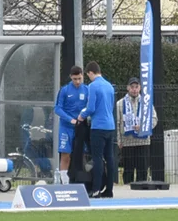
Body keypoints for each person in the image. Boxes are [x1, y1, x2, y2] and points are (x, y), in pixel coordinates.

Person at [77, 61, 116, 198]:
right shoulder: (109, 86)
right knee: (110, 158)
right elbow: (110, 107)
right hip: (110, 125)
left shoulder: (92, 86)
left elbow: (91, 108)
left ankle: (96, 189)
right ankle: (109, 189)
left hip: (98, 126)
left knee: (97, 158)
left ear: (91, 73)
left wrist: (81, 116)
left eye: (88, 75)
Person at [116, 77, 159, 184]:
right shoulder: (120, 104)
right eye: (132, 87)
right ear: (127, 88)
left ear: (140, 88)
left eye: (136, 87)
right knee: (128, 171)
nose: (134, 89)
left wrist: (144, 126)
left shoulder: (147, 103)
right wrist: (118, 140)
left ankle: (141, 194)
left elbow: (154, 119)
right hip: (127, 142)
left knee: (142, 170)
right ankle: (127, 193)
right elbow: (117, 123)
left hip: (143, 141)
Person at [53, 66, 89, 184]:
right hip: (66, 127)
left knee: (81, 154)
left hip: (81, 127)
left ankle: (80, 180)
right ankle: (64, 181)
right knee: (65, 154)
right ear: (70, 77)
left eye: (79, 78)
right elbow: (57, 109)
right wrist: (70, 120)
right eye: (75, 79)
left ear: (83, 76)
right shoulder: (65, 90)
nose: (77, 82)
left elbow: (90, 107)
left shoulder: (87, 90)